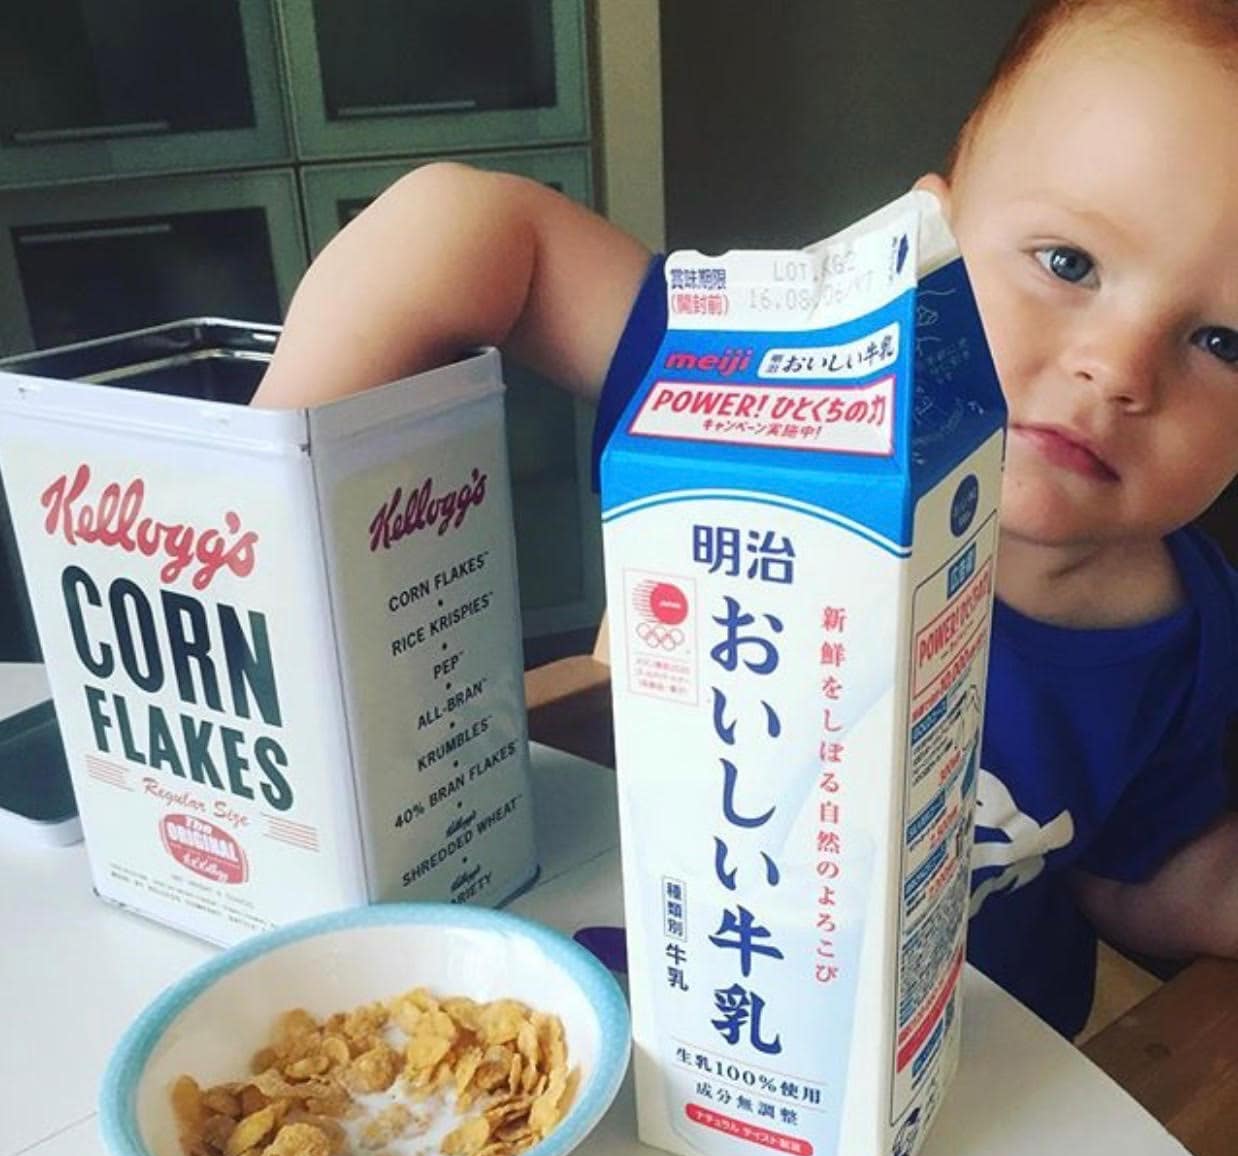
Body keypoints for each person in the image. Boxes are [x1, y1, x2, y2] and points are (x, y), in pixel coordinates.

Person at [252, 0, 1238, 1039]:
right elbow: (460, 225)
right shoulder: (762, 389)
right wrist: (263, 528)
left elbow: (1140, 870)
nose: (1117, 370)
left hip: (965, 1096)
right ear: (927, 241)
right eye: (1067, 263)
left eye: (1221, 342)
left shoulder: (1186, 630)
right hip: (630, 1013)